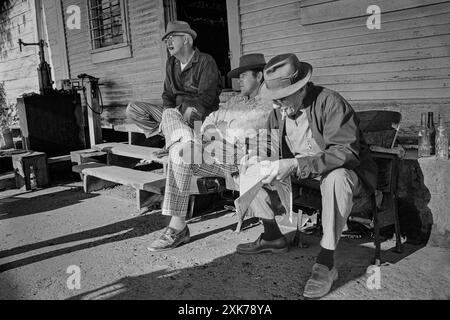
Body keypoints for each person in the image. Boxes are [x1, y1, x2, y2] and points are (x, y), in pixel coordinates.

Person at [237, 53, 378, 299]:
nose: (278, 104)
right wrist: (256, 157)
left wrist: (294, 163)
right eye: (274, 99)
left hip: (345, 178)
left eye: (282, 98)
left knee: (337, 177)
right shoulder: (279, 110)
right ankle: (272, 236)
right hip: (303, 175)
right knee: (250, 170)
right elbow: (267, 144)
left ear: (301, 88)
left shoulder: (330, 102)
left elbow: (345, 153)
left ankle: (326, 262)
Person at [148, 53, 273, 252]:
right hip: (214, 151)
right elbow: (210, 119)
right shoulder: (236, 100)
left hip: (238, 159)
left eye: (244, 76)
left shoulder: (266, 104)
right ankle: (178, 226)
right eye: (238, 76)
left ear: (259, 77)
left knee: (181, 149)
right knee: (171, 119)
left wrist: (213, 132)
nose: (238, 80)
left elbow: (237, 134)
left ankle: (187, 142)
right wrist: (210, 133)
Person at [125, 20, 222, 138]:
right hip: (174, 114)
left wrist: (177, 112)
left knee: (190, 111)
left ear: (186, 39)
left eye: (172, 38)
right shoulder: (171, 63)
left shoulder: (205, 61)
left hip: (198, 116)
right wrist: (168, 113)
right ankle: (172, 132)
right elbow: (167, 94)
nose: (168, 43)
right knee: (133, 109)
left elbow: (206, 99)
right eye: (166, 40)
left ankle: (177, 134)